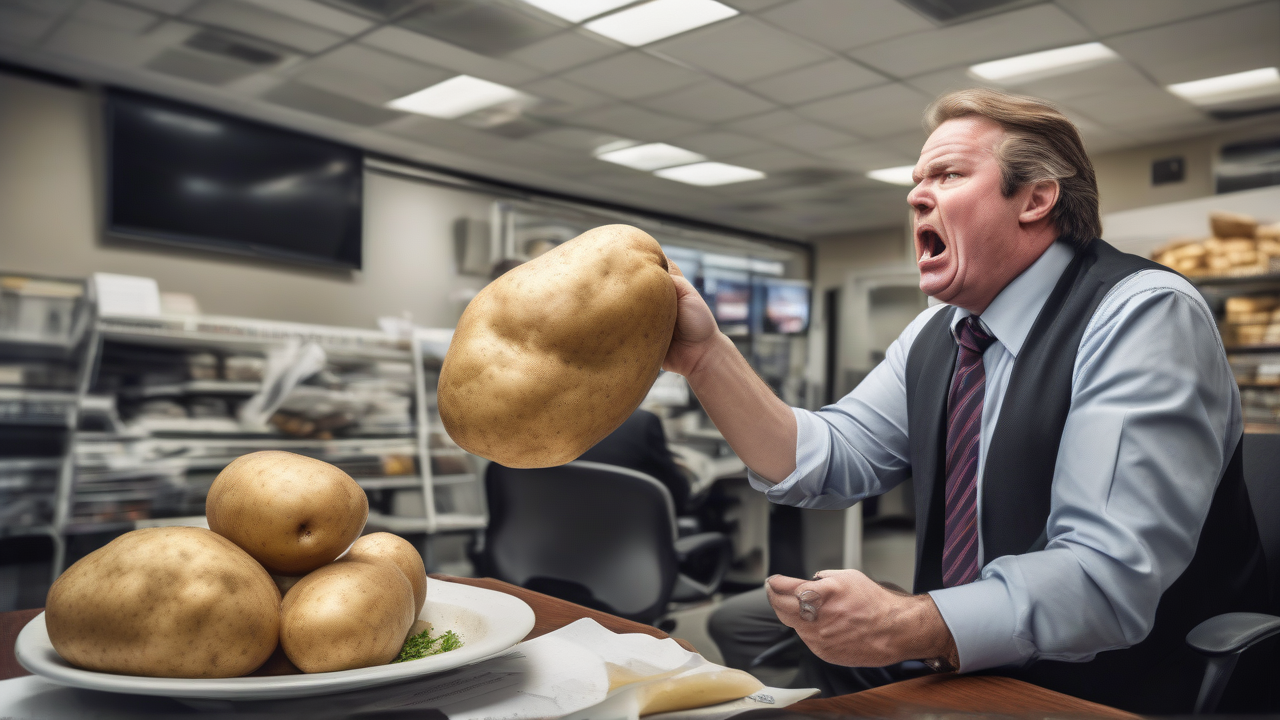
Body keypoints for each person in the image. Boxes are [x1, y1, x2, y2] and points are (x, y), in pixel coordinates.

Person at [666, 88, 1266, 714]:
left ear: (1036, 197)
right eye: (916, 179)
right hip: (965, 650)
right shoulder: (940, 332)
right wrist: (706, 357)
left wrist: (907, 621)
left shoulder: (1140, 314)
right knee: (747, 626)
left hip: (1110, 681)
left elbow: (1102, 578)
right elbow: (827, 459)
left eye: (947, 174)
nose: (915, 196)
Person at [578, 408, 691, 515]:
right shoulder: (644, 420)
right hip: (635, 528)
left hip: (571, 525)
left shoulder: (567, 425)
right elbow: (677, 495)